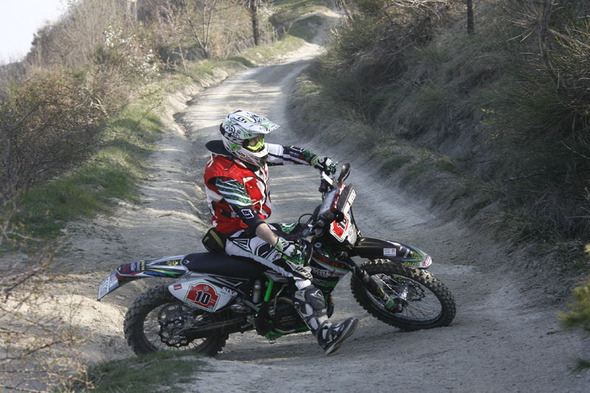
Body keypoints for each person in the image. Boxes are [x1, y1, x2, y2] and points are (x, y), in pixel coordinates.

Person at [203, 110, 358, 355]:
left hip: (256, 228)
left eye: (260, 139)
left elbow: (286, 152)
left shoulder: (247, 155)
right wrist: (280, 245)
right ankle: (325, 334)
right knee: (296, 265)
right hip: (237, 235)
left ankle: (289, 298)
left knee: (308, 235)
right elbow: (251, 220)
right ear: (237, 143)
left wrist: (317, 161)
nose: (260, 144)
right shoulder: (225, 175)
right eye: (254, 141)